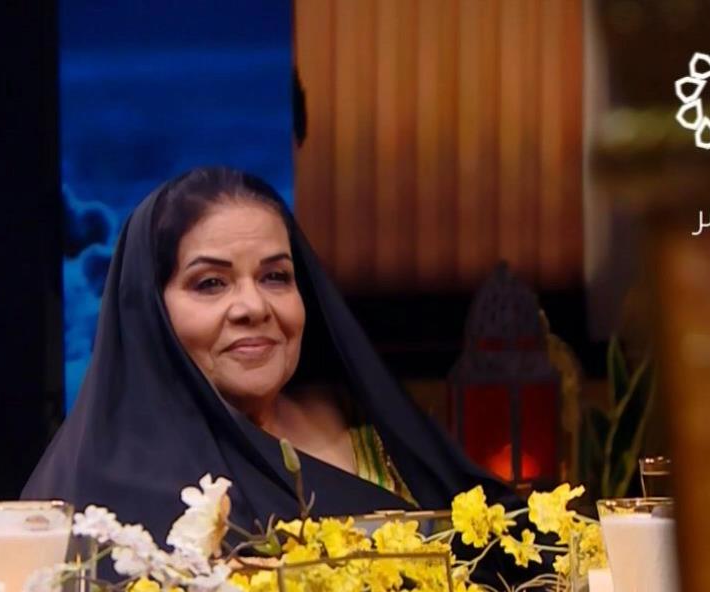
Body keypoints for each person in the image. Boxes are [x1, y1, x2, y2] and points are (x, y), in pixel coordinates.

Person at [25, 166, 509, 543]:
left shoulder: (372, 432)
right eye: (210, 283)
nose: (253, 307)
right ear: (149, 311)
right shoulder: (99, 492)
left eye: (275, 277)